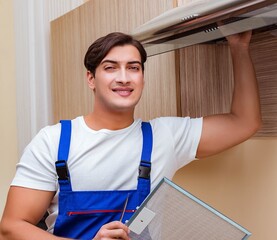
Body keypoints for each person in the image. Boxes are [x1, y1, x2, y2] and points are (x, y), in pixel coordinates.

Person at [0, 31, 261, 240]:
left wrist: (239, 48)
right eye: (111, 68)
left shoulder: (166, 137)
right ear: (91, 78)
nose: (124, 78)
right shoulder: (53, 141)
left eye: (133, 67)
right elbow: (11, 228)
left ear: (143, 78)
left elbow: (245, 122)